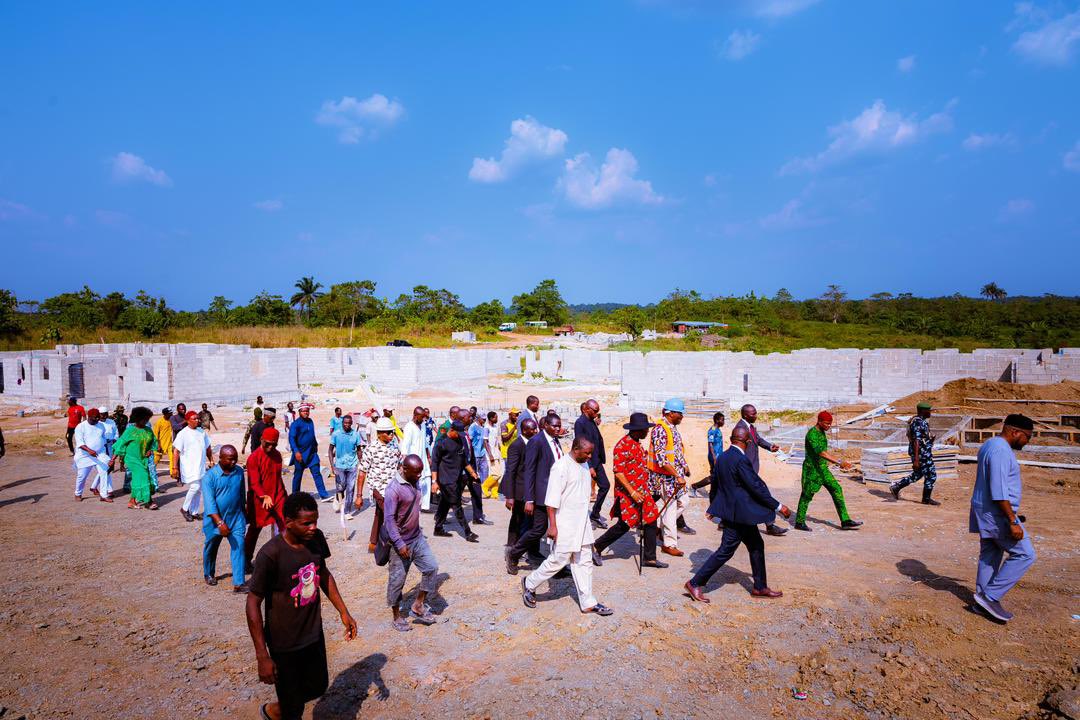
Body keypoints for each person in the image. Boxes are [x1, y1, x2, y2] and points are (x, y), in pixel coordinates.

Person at [246, 492, 357, 720]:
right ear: (288, 522)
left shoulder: (316, 540)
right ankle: (284, 709)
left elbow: (323, 574)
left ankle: (274, 710)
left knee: (318, 686)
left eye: (315, 521)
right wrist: (262, 655)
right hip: (284, 642)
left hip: (313, 634)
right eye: (306, 523)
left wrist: (344, 612)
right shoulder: (270, 554)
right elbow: (253, 603)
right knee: (294, 710)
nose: (313, 527)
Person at [685, 425, 792, 602]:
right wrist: (779, 507)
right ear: (748, 442)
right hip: (740, 515)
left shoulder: (723, 457)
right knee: (725, 551)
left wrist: (714, 508)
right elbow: (755, 487)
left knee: (756, 545)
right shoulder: (740, 460)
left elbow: (717, 486)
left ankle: (759, 586)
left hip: (738, 514)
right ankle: (695, 583)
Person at [520, 437, 614, 616]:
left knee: (584, 561)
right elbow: (551, 501)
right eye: (587, 453)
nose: (590, 456)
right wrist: (553, 526)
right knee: (558, 560)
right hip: (565, 523)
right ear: (576, 449)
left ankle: (588, 602)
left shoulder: (584, 463)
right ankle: (529, 583)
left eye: (591, 453)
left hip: (582, 522)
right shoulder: (561, 467)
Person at [969, 414, 1036, 622]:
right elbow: (998, 490)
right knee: (1025, 554)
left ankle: (982, 601)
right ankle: (991, 597)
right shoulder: (999, 450)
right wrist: (1012, 520)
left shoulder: (991, 445)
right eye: (1027, 437)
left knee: (990, 554)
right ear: (1014, 432)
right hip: (997, 514)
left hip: (987, 511)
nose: (1027, 442)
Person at [592, 412, 666, 569]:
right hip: (628, 493)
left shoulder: (638, 443)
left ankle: (649, 558)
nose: (647, 431)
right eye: (645, 429)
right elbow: (618, 472)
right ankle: (597, 547)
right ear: (637, 430)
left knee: (651, 518)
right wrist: (632, 492)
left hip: (642, 491)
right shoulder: (622, 446)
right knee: (625, 524)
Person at [383, 455, 440, 632]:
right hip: (400, 543)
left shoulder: (413, 480)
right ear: (404, 469)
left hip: (417, 538)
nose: (419, 476)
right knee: (397, 581)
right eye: (416, 472)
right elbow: (389, 519)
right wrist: (399, 543)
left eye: (421, 472)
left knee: (431, 568)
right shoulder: (393, 489)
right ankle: (396, 616)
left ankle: (418, 605)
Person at [506, 414, 564, 571]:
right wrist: (529, 499)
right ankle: (514, 553)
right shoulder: (536, 442)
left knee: (555, 527)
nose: (558, 428)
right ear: (546, 425)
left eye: (559, 425)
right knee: (539, 528)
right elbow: (529, 471)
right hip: (541, 495)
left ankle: (556, 563)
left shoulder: (555, 440)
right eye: (554, 426)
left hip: (555, 492)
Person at [795, 411, 862, 531]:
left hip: (823, 469)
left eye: (830, 424)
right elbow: (821, 452)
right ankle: (799, 522)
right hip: (812, 470)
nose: (829, 426)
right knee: (807, 495)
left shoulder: (821, 432)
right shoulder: (812, 434)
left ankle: (845, 520)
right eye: (827, 423)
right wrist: (840, 462)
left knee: (836, 489)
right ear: (819, 421)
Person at [730, 405, 787, 537]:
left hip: (751, 469)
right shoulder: (740, 429)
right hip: (746, 470)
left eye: (755, 413)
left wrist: (770, 447)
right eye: (753, 414)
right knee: (762, 494)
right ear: (745, 415)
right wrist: (744, 468)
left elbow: (758, 440)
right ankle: (770, 525)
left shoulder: (750, 426)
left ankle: (727, 520)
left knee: (747, 496)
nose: (756, 416)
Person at [648, 398, 693, 557]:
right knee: (670, 508)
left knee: (684, 502)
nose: (682, 416)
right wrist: (676, 475)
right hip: (664, 477)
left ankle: (660, 527)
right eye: (680, 413)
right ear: (671, 413)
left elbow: (676, 452)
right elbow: (661, 458)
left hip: (675, 476)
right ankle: (669, 543)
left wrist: (684, 465)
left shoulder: (672, 428)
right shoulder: (660, 429)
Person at [202, 445, 249, 592]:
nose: (234, 462)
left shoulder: (239, 472)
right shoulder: (209, 477)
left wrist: (244, 512)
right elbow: (209, 503)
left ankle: (239, 583)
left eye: (235, 459)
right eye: (230, 459)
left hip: (236, 518)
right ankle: (209, 573)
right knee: (211, 547)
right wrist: (219, 522)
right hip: (215, 521)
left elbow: (242, 494)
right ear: (220, 458)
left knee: (239, 546)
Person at [356, 417, 403, 553]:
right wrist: (359, 496)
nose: (391, 435)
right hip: (378, 490)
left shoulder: (394, 446)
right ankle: (396, 543)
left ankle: (373, 542)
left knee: (380, 514)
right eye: (388, 432)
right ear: (379, 433)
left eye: (392, 432)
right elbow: (362, 472)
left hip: (393, 489)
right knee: (391, 514)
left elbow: (399, 466)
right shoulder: (371, 449)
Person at [245, 427, 288, 572]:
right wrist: (264, 495)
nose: (270, 447)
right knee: (255, 529)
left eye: (274, 445)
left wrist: (283, 495)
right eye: (267, 444)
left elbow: (277, 477)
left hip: (277, 494)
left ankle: (282, 559)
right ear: (261, 440)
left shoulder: (277, 456)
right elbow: (254, 482)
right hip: (260, 499)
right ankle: (245, 560)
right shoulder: (253, 458)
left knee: (284, 526)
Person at [431, 420, 479, 542]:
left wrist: (473, 473)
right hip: (446, 480)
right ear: (451, 430)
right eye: (458, 433)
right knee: (457, 506)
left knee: (444, 504)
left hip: (456, 479)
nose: (460, 436)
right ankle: (468, 533)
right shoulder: (441, 443)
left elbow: (464, 461)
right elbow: (435, 463)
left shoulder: (460, 440)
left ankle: (438, 528)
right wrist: (434, 482)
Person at [500, 416, 539, 551]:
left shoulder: (533, 443)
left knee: (528, 520)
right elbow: (510, 471)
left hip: (529, 488)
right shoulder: (516, 445)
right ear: (524, 430)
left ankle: (526, 548)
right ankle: (511, 547)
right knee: (517, 519)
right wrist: (509, 496)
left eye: (536, 428)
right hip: (518, 489)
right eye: (532, 429)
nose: (535, 431)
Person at [109, 407, 159, 510]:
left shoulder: (148, 430)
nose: (146, 421)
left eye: (147, 419)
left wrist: (150, 450)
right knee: (143, 477)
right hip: (132, 459)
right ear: (137, 418)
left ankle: (132, 502)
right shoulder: (130, 430)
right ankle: (148, 501)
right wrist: (113, 459)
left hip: (143, 459)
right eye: (144, 419)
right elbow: (120, 444)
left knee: (139, 479)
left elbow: (153, 442)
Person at [891, 402, 940, 505]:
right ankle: (926, 499)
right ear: (923, 411)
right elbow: (916, 441)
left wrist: (930, 440)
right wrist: (916, 459)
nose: (930, 413)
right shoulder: (917, 422)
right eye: (928, 411)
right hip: (922, 455)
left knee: (918, 475)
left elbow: (921, 439)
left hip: (923, 453)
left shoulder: (922, 421)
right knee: (931, 475)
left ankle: (896, 487)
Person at [574, 399, 610, 530]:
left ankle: (594, 514)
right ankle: (581, 519)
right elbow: (581, 444)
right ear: (586, 409)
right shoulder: (580, 423)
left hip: (597, 461)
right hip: (588, 462)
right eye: (595, 411)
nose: (597, 413)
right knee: (583, 492)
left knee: (605, 486)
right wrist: (589, 466)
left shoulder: (591, 421)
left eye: (597, 411)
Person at [173, 410, 213, 522]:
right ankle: (184, 509)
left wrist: (211, 460)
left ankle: (194, 512)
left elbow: (208, 447)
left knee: (199, 489)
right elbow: (176, 451)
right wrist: (175, 467)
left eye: (197, 418)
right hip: (189, 466)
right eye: (194, 419)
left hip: (200, 466)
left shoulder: (201, 432)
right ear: (187, 421)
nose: (197, 420)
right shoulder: (183, 434)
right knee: (195, 487)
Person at [288, 404, 331, 501]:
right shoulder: (296, 424)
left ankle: (323, 495)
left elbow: (312, 435)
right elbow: (291, 438)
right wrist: (296, 452)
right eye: (303, 411)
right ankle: (295, 496)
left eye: (307, 411)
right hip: (300, 454)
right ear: (299, 412)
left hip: (312, 454)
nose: (306, 413)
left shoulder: (310, 421)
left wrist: (315, 446)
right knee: (298, 475)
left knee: (317, 473)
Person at [73, 408, 112, 502]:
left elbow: (103, 439)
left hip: (99, 454)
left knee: (104, 472)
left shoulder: (101, 426)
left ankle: (103, 495)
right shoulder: (80, 426)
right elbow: (80, 443)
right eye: (94, 418)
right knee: (82, 476)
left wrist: (106, 454)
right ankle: (78, 493)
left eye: (97, 418)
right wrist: (89, 450)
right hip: (84, 455)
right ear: (88, 417)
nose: (96, 420)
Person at [329, 413, 362, 519]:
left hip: (352, 465)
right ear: (342, 423)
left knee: (351, 487)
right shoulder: (336, 434)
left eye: (349, 423)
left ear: (351, 424)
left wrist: (361, 462)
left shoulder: (356, 434)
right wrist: (332, 465)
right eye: (345, 423)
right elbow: (330, 450)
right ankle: (338, 497)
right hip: (339, 465)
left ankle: (347, 511)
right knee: (341, 486)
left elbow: (359, 450)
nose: (347, 425)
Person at [400, 406, 433, 511]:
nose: (423, 419)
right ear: (415, 416)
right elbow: (405, 445)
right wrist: (404, 461)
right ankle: (414, 505)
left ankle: (425, 506)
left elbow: (426, 443)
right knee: (416, 482)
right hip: (413, 460)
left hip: (423, 458)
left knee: (427, 479)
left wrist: (428, 456)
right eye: (421, 417)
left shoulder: (423, 425)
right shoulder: (409, 427)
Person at [691, 412, 725, 498]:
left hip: (718, 456)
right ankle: (694, 486)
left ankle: (713, 493)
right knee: (714, 476)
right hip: (714, 457)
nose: (723, 422)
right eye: (722, 420)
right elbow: (710, 444)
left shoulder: (718, 429)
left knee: (716, 475)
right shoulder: (712, 430)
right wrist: (714, 457)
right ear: (717, 420)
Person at [481, 411, 502, 498]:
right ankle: (484, 486)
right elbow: (485, 441)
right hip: (491, 453)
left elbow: (496, 440)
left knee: (497, 473)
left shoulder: (495, 427)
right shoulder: (487, 428)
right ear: (491, 418)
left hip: (496, 452)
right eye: (495, 417)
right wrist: (490, 454)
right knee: (496, 474)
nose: (497, 419)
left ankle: (494, 492)